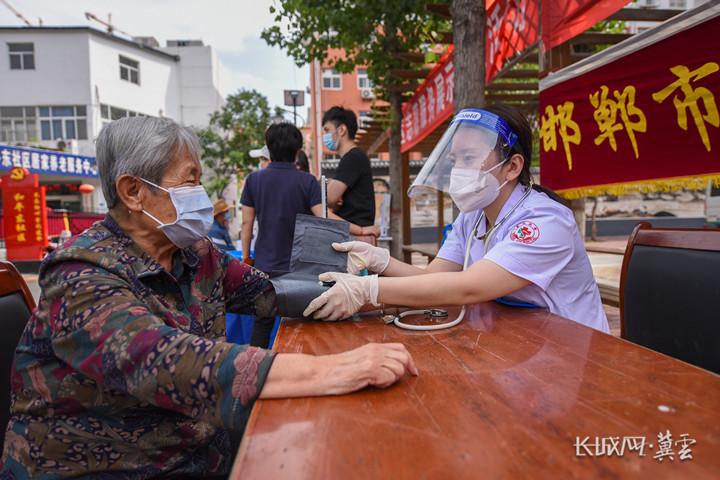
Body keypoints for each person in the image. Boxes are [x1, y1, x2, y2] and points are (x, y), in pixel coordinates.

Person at [0, 117, 417, 479]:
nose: (201, 194)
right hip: (114, 468)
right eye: (189, 180)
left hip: (197, 449)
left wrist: (365, 290)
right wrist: (332, 370)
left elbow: (268, 293)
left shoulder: (194, 254)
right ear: (133, 191)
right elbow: (167, 361)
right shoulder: (80, 274)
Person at [304, 105, 609, 333]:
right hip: (520, 340)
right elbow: (433, 277)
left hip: (572, 347)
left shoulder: (545, 221)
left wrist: (368, 290)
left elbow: (468, 287)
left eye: (469, 158)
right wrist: (380, 261)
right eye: (454, 160)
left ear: (513, 166)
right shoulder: (473, 216)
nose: (458, 170)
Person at [322, 106, 375, 227]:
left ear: (341, 130)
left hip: (355, 233)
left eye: (327, 130)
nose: (325, 136)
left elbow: (329, 198)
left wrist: (329, 190)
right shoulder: (353, 157)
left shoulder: (353, 157)